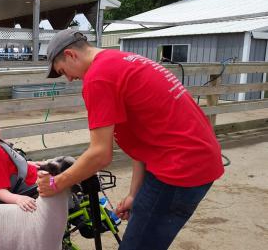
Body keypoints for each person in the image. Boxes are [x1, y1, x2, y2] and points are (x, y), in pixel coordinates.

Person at [37, 29, 224, 250]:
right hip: (194, 157)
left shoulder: (98, 77)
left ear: (71, 55)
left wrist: (55, 183)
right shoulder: (121, 59)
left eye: (63, 71)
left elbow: (100, 154)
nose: (68, 78)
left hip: (179, 167)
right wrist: (135, 194)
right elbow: (141, 142)